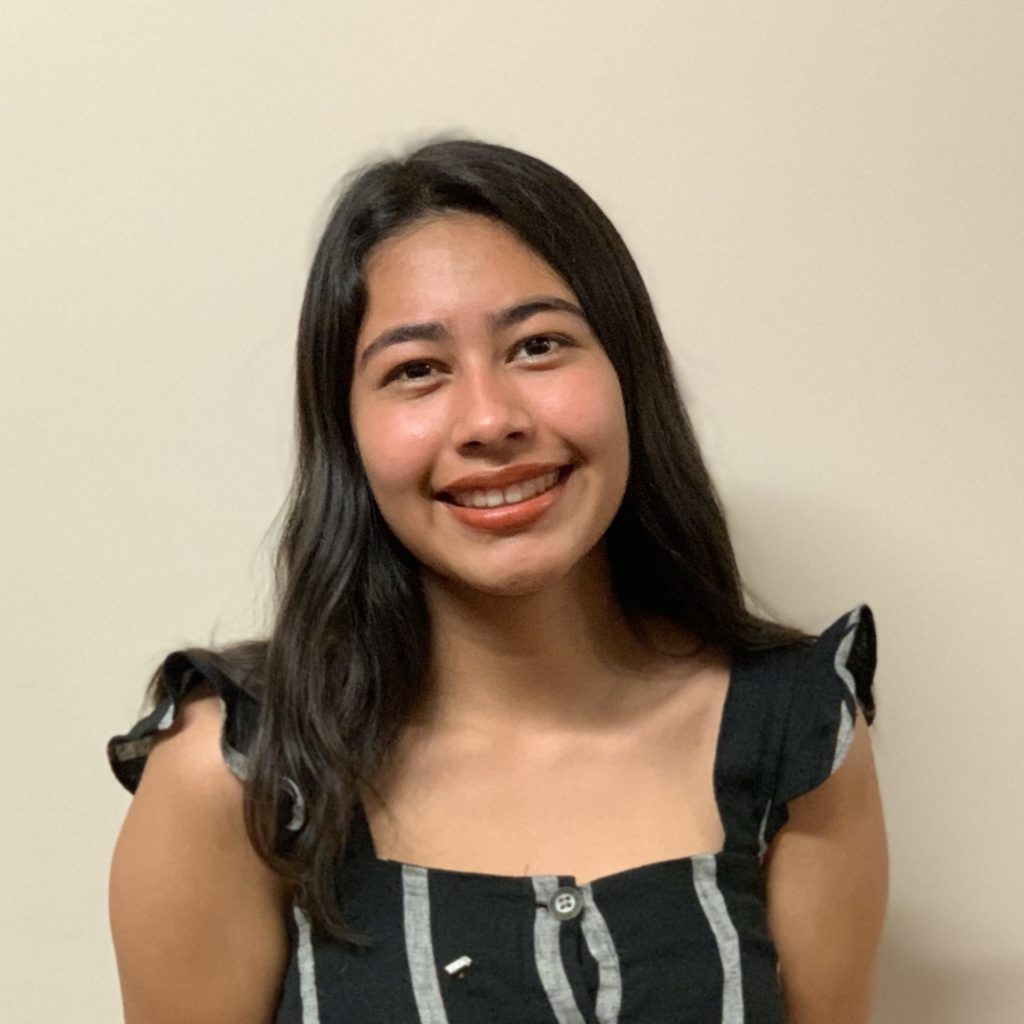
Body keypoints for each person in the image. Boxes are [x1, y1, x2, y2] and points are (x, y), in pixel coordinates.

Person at [107, 139, 887, 1024]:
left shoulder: (797, 737)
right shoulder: (233, 775)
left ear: (628, 374)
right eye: (415, 370)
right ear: (347, 435)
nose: (489, 420)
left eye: (538, 345)